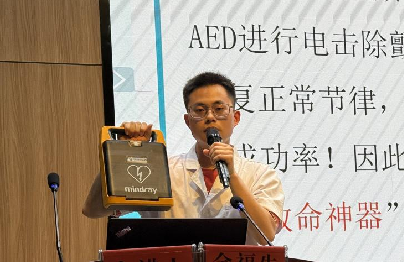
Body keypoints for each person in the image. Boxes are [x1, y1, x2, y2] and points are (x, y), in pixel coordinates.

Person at [83, 72, 284, 245]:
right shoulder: (161, 170)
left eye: (219, 109)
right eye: (200, 110)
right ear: (188, 121)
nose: (210, 117)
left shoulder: (260, 174)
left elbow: (266, 235)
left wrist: (233, 176)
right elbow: (93, 210)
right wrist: (120, 155)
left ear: (236, 117)